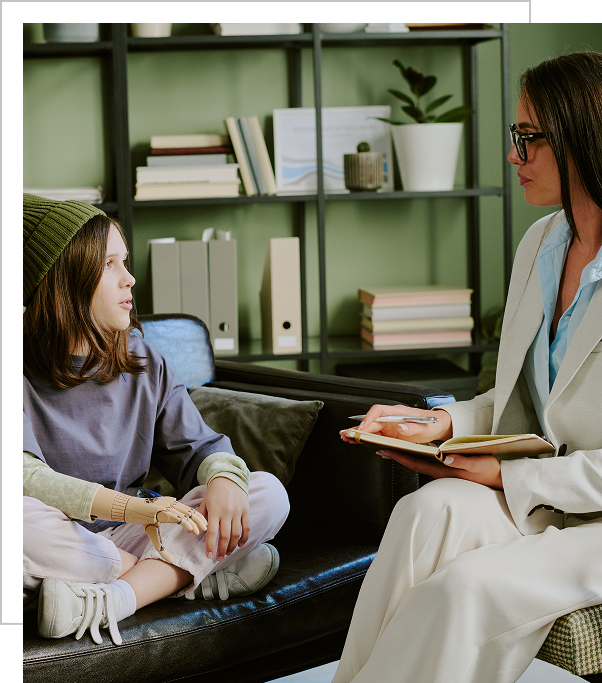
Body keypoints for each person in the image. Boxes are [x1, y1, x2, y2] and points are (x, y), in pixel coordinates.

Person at [332, 51, 602, 683]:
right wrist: (439, 425)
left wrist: (510, 478)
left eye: (527, 138)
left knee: (461, 592)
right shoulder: (538, 246)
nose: (514, 155)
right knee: (423, 514)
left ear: (583, 139)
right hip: (541, 497)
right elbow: (517, 401)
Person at [22, 193, 290, 646]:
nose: (129, 279)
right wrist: (138, 508)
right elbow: (25, 477)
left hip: (136, 535)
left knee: (267, 492)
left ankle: (112, 599)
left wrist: (224, 479)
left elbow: (201, 448)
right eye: (110, 264)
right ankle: (184, 579)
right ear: (63, 282)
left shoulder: (143, 359)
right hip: (69, 540)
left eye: (124, 262)